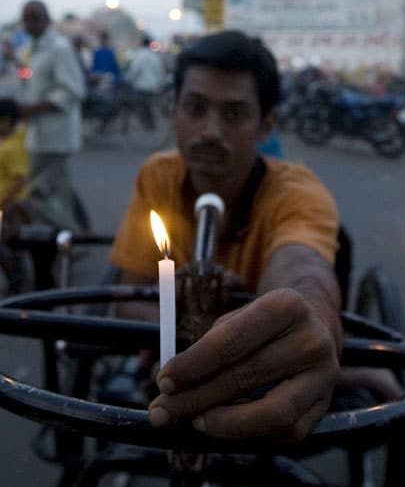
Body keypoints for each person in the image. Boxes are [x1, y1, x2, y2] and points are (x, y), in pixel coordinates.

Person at [109, 30, 342, 441]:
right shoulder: (157, 176)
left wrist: (306, 315)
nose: (210, 131)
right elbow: (128, 298)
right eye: (194, 108)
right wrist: (192, 320)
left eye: (233, 114)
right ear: (174, 110)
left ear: (266, 123)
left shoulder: (299, 193)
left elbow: (303, 269)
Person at [17, 0, 86, 239]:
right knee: (53, 189)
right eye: (26, 19)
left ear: (46, 19)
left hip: (57, 135)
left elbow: (72, 91)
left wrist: (35, 108)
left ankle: (69, 237)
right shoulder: (35, 49)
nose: (30, 24)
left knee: (47, 192)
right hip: (40, 133)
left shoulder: (59, 48)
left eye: (34, 18)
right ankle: (66, 236)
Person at [0, 97, 30, 294]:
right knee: (8, 243)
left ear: (7, 121)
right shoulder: (16, 139)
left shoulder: (11, 147)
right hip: (10, 205)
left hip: (11, 206)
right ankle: (18, 276)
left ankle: (17, 281)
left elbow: (20, 180)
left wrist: (1, 204)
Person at [124, 35, 166, 128]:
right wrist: (160, 83)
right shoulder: (154, 56)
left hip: (142, 86)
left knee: (143, 106)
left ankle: (148, 124)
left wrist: (129, 79)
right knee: (148, 106)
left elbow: (134, 70)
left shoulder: (139, 55)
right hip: (153, 86)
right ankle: (150, 124)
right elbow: (160, 71)